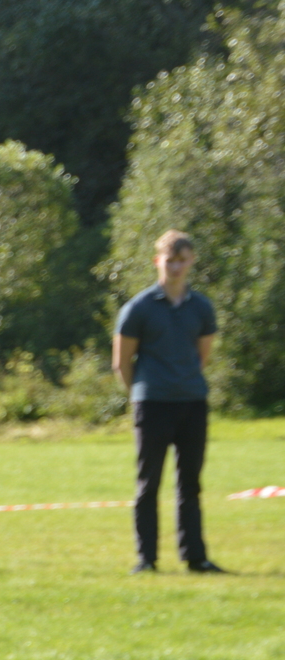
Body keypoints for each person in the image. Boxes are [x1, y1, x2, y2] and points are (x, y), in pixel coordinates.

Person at [114, 230, 225, 574]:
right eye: (169, 260)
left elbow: (202, 356)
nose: (175, 267)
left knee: (190, 484)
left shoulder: (201, 307)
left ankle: (195, 558)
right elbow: (122, 362)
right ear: (157, 261)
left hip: (192, 402)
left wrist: (183, 381)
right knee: (148, 484)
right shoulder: (138, 308)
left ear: (191, 262)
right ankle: (147, 560)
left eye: (181, 260)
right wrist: (141, 394)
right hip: (152, 404)